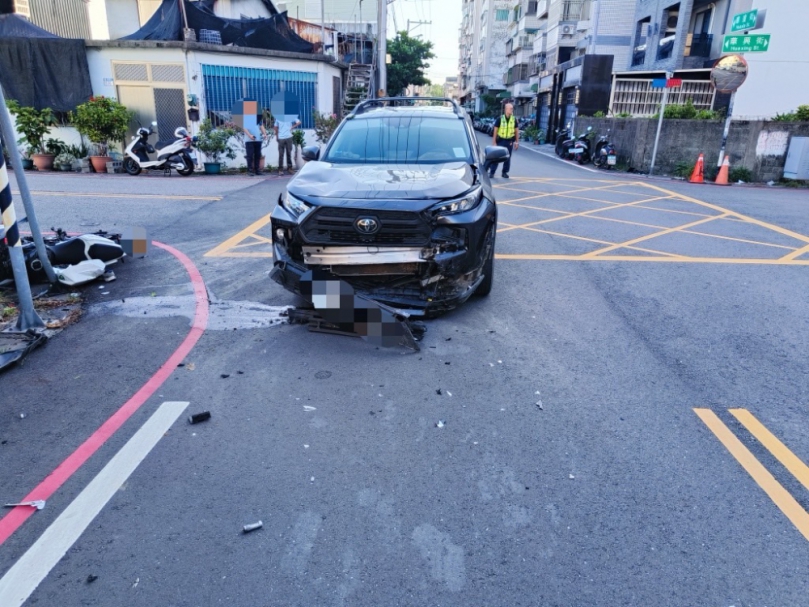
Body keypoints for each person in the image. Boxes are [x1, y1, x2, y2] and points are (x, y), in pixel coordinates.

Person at [489, 103, 519, 179]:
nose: (512, 110)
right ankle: (492, 172)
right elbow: (495, 131)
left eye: (512, 108)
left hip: (509, 141)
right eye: (510, 108)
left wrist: (516, 142)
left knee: (507, 157)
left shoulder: (514, 119)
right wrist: (494, 142)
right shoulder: (500, 119)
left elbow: (516, 131)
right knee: (497, 157)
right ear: (506, 109)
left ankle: (504, 172)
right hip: (500, 140)